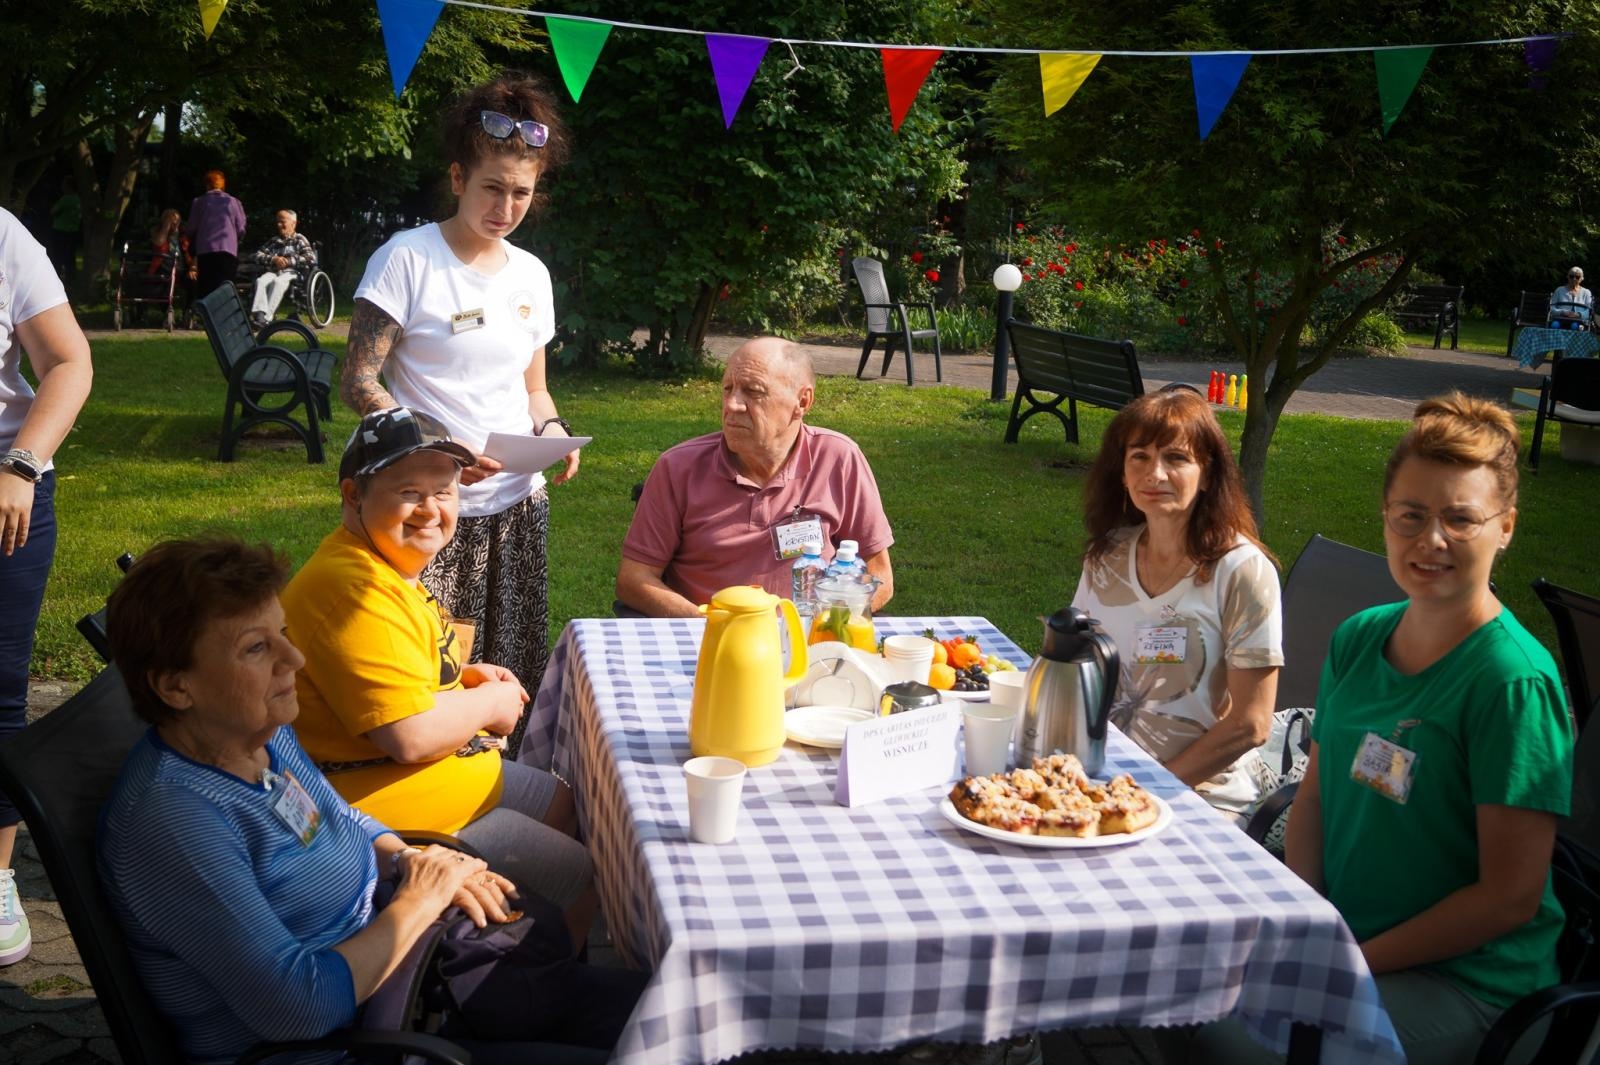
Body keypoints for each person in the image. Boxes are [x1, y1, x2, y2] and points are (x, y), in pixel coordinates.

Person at [98, 537, 645, 1065]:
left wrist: (411, 861)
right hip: (354, 1047)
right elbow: (298, 1008)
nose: (295, 658)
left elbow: (341, 818)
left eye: (282, 633)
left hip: (407, 987)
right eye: (256, 648)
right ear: (176, 687)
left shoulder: (262, 735)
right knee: (646, 1043)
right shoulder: (176, 821)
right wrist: (419, 901)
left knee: (652, 1020)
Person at [1167, 394, 1573, 1065]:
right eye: (1411, 515)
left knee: (1239, 1041)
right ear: (1386, 517)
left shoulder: (1510, 683)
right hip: (1346, 933)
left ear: (1505, 527)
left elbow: (1509, 898)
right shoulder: (1360, 637)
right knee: (1179, 986)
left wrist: (1349, 958)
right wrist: (1310, 920)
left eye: (1460, 519)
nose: (1431, 540)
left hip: (1467, 982)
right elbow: (1316, 797)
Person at [281, 406, 595, 946]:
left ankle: (531, 937)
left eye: (443, 491)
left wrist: (462, 676)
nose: (431, 509)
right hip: (382, 812)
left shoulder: (382, 563)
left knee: (562, 802)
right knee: (581, 875)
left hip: (429, 774)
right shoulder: (353, 591)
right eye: (409, 492)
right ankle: (532, 972)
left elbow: (390, 669)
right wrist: (490, 705)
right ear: (354, 495)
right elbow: (409, 734)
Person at [342, 73, 577, 727]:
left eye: (521, 192)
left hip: (518, 506)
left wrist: (552, 428)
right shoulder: (407, 260)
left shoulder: (532, 274)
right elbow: (358, 381)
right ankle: (437, 781)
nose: (506, 207)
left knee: (512, 665)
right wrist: (438, 449)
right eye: (492, 188)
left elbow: (534, 386)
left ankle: (507, 780)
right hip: (428, 508)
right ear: (457, 178)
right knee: (431, 673)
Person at [1072, 387, 1281, 820]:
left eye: (1176, 458)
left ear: (1207, 475)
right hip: (1101, 777)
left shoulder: (1242, 571)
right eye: (1140, 457)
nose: (1156, 473)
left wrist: (1149, 791)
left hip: (1198, 796)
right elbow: (1075, 663)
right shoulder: (1107, 557)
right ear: (1123, 474)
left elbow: (1252, 723)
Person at [617, 336, 895, 617]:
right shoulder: (679, 468)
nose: (732, 405)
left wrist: (826, 626)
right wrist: (706, 624)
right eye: (728, 389)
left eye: (753, 391)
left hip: (810, 634)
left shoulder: (838, 458)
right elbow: (634, 579)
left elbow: (879, 574)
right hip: (708, 635)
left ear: (802, 401)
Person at [0, 207, 94, 967]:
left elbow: (68, 361)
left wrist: (22, 465)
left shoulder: (2, 236)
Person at [248, 208, 315, 328]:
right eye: (278, 222)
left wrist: (289, 261)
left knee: (278, 282)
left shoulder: (299, 239)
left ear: (293, 223)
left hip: (292, 272)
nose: (279, 225)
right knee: (261, 281)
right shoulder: (274, 241)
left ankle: (267, 318)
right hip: (274, 271)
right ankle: (260, 315)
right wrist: (273, 259)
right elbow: (257, 255)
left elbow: (310, 257)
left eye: (282, 222)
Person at [184, 169, 246, 299]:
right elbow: (241, 228)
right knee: (226, 286)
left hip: (205, 250)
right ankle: (225, 311)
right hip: (228, 250)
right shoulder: (233, 202)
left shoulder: (199, 202)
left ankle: (208, 311)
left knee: (207, 287)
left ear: (207, 185)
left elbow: (191, 228)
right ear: (223, 185)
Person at [46, 176, 81, 289]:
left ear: (68, 186)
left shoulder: (66, 199)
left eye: (64, 185)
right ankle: (70, 279)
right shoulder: (78, 199)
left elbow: (53, 211)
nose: (62, 187)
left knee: (57, 256)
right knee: (70, 256)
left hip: (60, 231)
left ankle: (55, 279)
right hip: (73, 231)